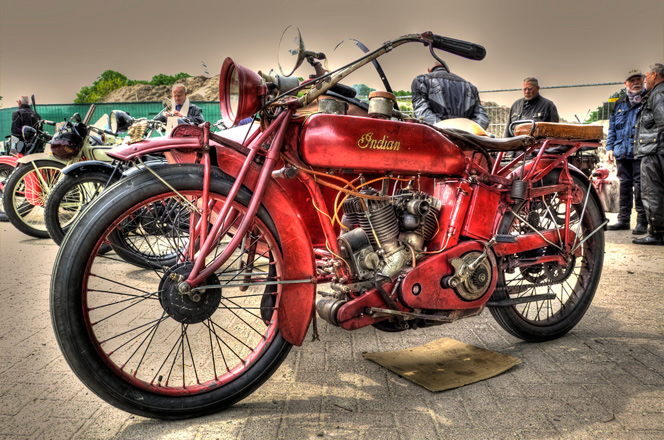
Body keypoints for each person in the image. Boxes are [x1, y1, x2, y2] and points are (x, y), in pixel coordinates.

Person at [606, 70, 648, 235]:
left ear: (643, 81)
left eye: (639, 79)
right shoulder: (619, 103)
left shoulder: (648, 99)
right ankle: (623, 220)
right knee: (624, 186)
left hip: (641, 152)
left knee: (640, 188)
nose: (636, 82)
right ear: (625, 84)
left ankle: (642, 222)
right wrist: (609, 148)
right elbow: (612, 128)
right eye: (632, 80)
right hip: (622, 152)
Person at [633, 63, 664, 245]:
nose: (644, 80)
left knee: (652, 193)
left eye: (646, 77)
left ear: (654, 75)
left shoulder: (658, 93)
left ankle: (658, 233)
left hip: (655, 150)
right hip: (657, 148)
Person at [411, 62, 489, 129]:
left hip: (437, 139)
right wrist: (469, 131)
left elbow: (422, 113)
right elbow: (482, 117)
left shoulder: (422, 80)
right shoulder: (470, 86)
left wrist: (445, 131)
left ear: (429, 70)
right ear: (447, 69)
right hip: (465, 140)